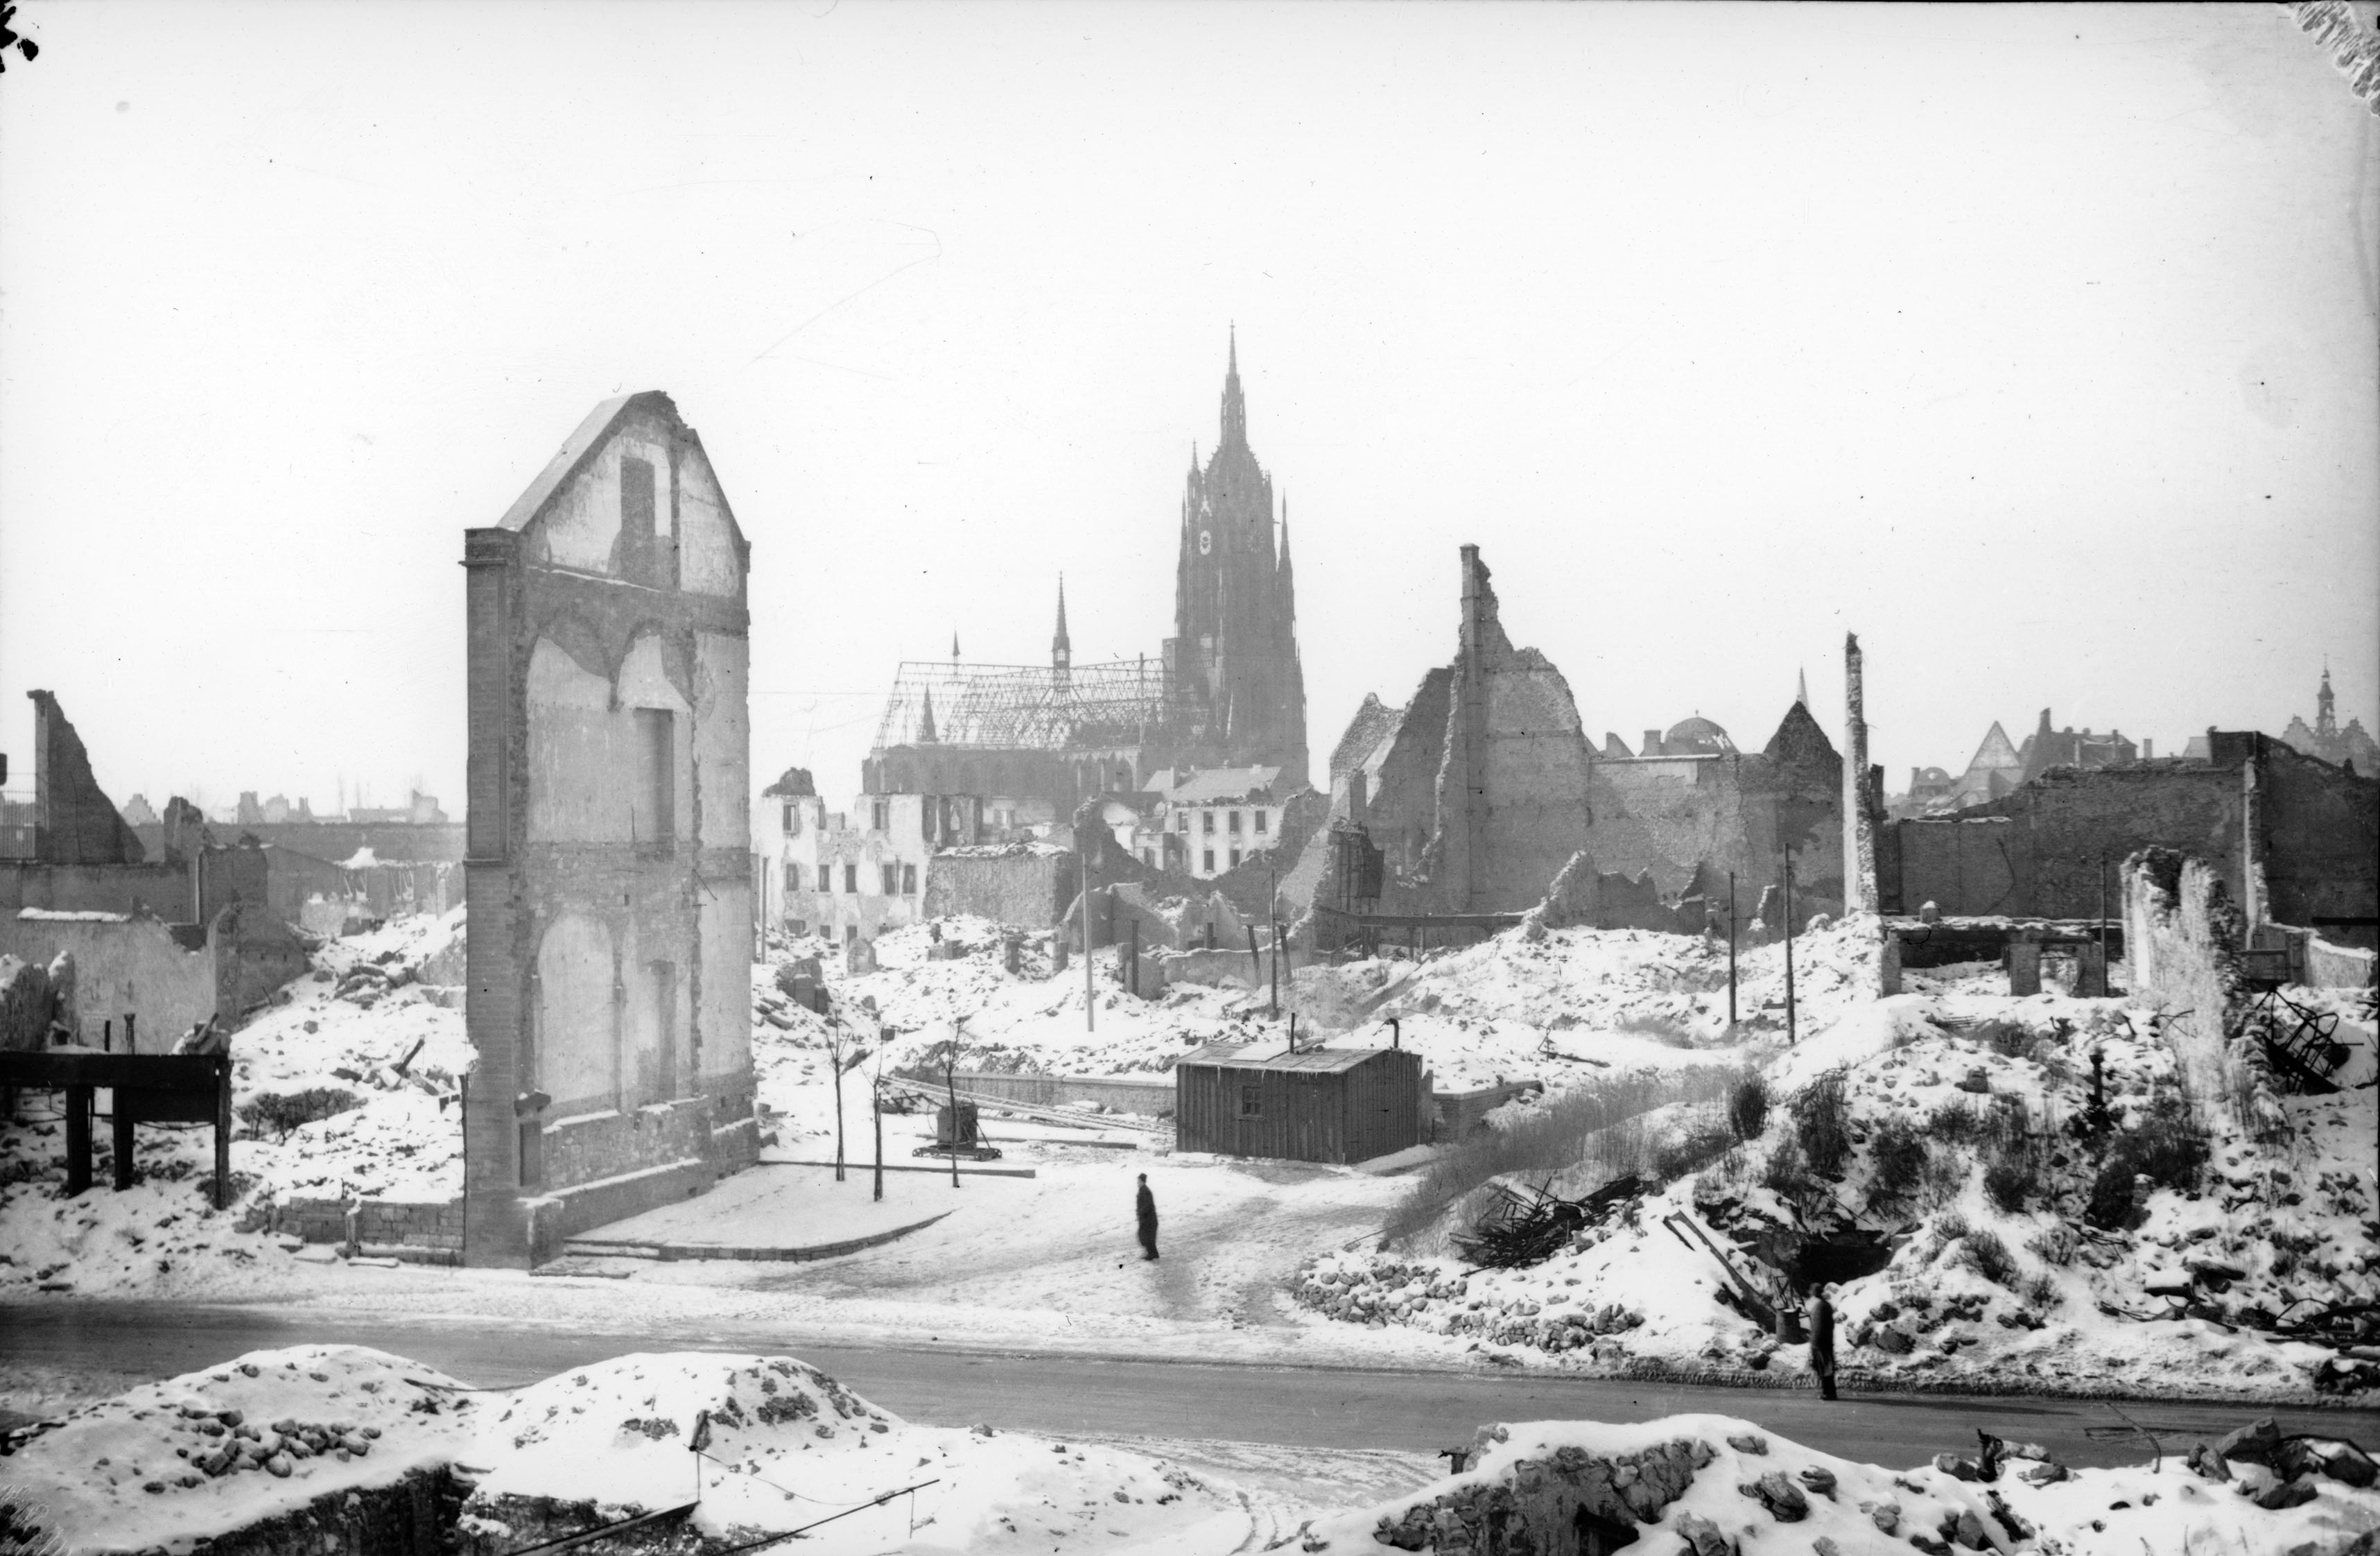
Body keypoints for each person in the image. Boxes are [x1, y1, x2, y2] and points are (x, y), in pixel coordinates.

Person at [1805, 1283, 1837, 1400]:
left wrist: (1815, 1343)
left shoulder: (1821, 1307)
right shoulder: (1824, 1305)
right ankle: (1830, 1392)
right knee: (1826, 1367)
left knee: (1824, 1368)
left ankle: (1828, 1393)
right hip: (1825, 1341)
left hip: (1820, 1343)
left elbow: (1819, 1327)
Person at [1134, 1173, 1159, 1261]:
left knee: (1148, 1237)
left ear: (1142, 1181)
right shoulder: (1142, 1190)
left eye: (1138, 1181)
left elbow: (1148, 1205)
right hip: (1147, 1219)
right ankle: (1152, 1254)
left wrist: (1140, 1212)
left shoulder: (1145, 1191)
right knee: (1145, 1237)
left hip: (1150, 1219)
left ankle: (1153, 1255)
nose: (1137, 1183)